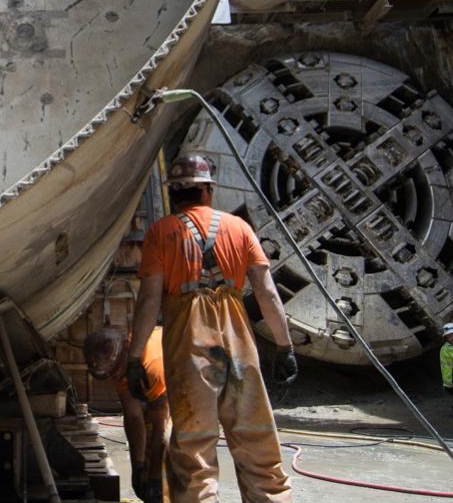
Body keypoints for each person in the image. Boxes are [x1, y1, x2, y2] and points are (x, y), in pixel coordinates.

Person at [127, 153, 296, 503]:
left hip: (190, 336)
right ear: (208, 191)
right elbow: (267, 293)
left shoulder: (163, 232)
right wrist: (285, 347)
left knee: (194, 444)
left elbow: (148, 301)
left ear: (174, 194)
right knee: (256, 434)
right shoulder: (240, 228)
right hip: (237, 333)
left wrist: (135, 355)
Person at [84, 326, 169, 503]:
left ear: (126, 350)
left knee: (172, 452)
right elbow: (133, 415)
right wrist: (137, 466)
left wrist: (154, 477)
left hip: (184, 390)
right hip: (153, 389)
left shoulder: (152, 364)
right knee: (147, 462)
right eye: (110, 374)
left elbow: (161, 425)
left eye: (115, 372)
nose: (114, 377)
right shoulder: (117, 363)